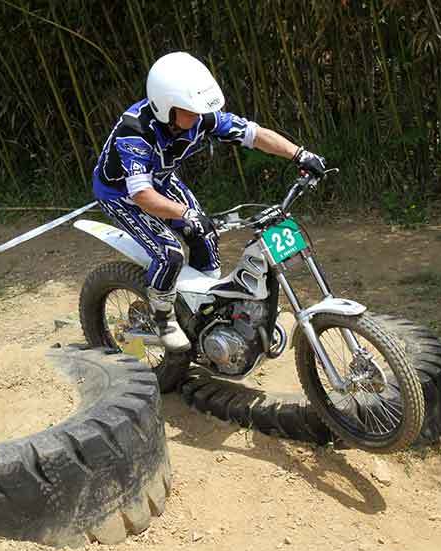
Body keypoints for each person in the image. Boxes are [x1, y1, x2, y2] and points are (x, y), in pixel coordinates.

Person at [91, 51, 326, 352]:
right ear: (166, 107)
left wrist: (300, 154)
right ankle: (163, 317)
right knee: (170, 253)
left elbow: (255, 135)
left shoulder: (199, 117)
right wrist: (186, 212)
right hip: (122, 194)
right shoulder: (134, 133)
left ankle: (204, 311)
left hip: (160, 180)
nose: (198, 118)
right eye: (190, 111)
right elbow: (142, 196)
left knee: (204, 233)